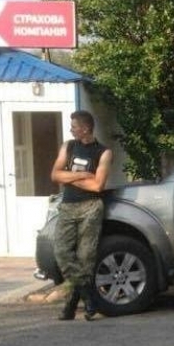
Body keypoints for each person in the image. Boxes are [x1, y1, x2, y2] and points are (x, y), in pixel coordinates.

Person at [51, 110, 113, 321]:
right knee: (62, 253)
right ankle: (89, 297)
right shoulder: (68, 146)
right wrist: (80, 175)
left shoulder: (103, 152)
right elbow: (54, 174)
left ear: (85, 128)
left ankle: (70, 307)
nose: (71, 129)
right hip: (68, 206)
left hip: (90, 207)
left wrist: (67, 178)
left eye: (74, 126)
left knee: (85, 259)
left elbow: (97, 186)